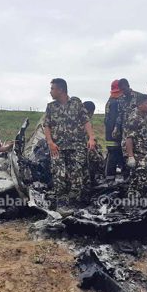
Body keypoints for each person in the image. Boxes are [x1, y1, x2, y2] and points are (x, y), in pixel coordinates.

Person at [44, 78, 96, 211]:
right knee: (59, 175)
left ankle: (74, 204)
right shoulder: (51, 107)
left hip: (76, 146)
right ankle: (61, 205)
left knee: (76, 175)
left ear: (61, 90)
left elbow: (86, 121)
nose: (50, 91)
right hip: (57, 147)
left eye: (52, 89)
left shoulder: (76, 103)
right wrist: (50, 142)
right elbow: (46, 126)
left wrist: (91, 138)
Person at [125, 98, 147, 197]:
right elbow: (129, 138)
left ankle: (134, 197)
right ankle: (136, 197)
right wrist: (130, 156)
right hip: (135, 151)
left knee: (136, 177)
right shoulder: (134, 118)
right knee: (143, 176)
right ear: (139, 105)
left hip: (143, 150)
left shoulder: (146, 116)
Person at [104, 80, 126, 180]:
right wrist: (117, 131)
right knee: (113, 154)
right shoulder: (115, 103)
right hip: (114, 134)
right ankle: (110, 177)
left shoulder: (110, 101)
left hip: (110, 133)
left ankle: (110, 175)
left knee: (113, 154)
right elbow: (115, 119)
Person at [83, 101, 106, 184]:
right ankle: (92, 181)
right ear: (91, 112)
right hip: (84, 148)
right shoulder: (85, 121)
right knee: (97, 160)